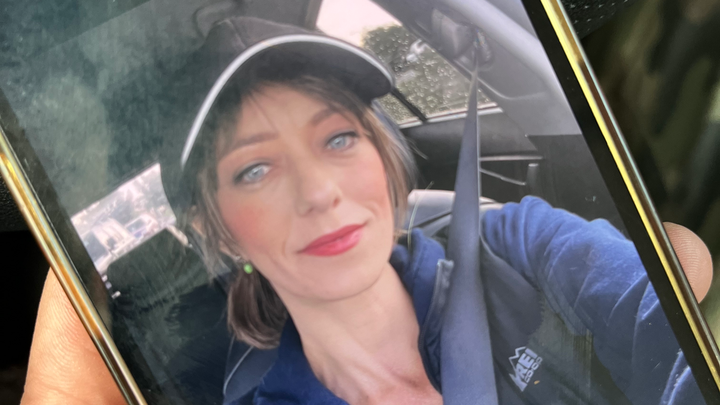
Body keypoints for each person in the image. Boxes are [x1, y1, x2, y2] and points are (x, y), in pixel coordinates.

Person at [22, 16, 717, 405]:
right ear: (215, 228)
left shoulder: (517, 240)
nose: (320, 192)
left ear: (382, 154)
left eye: (338, 138)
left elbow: (657, 326)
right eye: (255, 169)